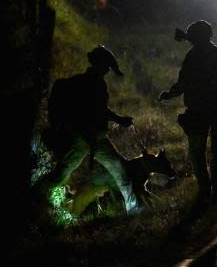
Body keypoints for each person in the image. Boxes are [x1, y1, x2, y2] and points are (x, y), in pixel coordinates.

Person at [37, 45, 142, 214]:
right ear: (99, 64)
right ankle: (35, 195)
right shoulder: (90, 83)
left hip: (94, 137)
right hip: (84, 138)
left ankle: (134, 208)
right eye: (106, 66)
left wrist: (118, 120)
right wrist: (119, 120)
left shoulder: (93, 82)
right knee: (63, 173)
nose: (108, 70)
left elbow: (100, 109)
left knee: (117, 168)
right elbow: (97, 110)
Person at [159, 21, 217, 201]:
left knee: (197, 151)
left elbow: (182, 83)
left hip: (198, 111)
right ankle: (216, 186)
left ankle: (205, 188)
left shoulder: (192, 57)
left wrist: (170, 94)